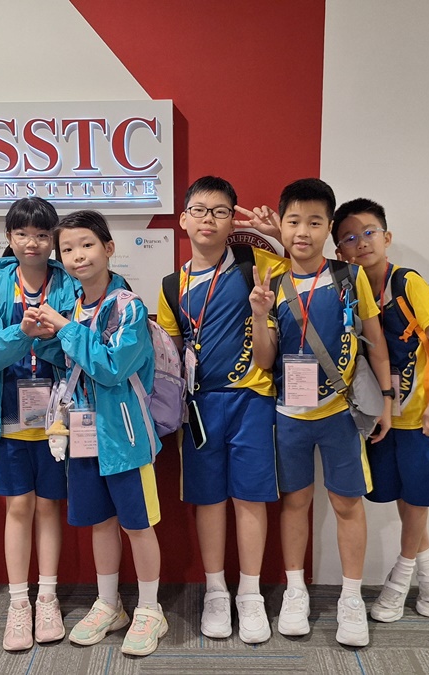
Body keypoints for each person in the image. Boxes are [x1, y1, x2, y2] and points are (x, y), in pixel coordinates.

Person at [248, 178, 394, 647]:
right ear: (282, 226)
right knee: (295, 502)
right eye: (293, 221)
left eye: (314, 222)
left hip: (340, 414)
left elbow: (376, 342)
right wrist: (259, 315)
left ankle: (351, 598)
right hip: (289, 415)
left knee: (347, 503)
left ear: (328, 228)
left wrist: (387, 400)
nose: (303, 232)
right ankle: (295, 591)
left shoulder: (349, 277)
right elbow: (265, 360)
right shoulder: (271, 281)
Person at [28, 210, 167, 657]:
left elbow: (111, 368)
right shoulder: (71, 307)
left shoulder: (128, 306)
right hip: (83, 435)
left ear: (108, 249)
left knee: (137, 525)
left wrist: (65, 329)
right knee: (100, 522)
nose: (77, 256)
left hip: (126, 438)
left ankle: (150, 609)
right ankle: (110, 604)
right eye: (67, 249)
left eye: (86, 244)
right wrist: (41, 335)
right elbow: (67, 361)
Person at [155, 176, 285, 643]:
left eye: (220, 211)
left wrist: (278, 234)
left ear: (232, 221)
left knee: (250, 497)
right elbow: (170, 360)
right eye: (200, 210)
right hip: (199, 408)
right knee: (208, 500)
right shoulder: (172, 286)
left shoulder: (256, 265)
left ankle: (249, 594)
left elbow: (307, 267)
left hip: (253, 400)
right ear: (183, 219)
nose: (208, 219)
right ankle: (215, 590)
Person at [0, 197, 79, 650]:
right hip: (7, 418)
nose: (32, 243)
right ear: (8, 238)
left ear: (54, 240)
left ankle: (47, 596)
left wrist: (46, 339)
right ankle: (18, 602)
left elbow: (78, 349)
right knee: (18, 507)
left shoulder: (68, 285)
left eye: (42, 235)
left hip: (58, 420)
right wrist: (22, 333)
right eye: (22, 234)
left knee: (49, 507)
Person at [334, 198, 429, 622]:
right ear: (339, 250)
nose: (362, 242)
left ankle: (401, 578)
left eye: (369, 232)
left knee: (417, 496)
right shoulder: (348, 288)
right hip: (380, 412)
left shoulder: (407, 282)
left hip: (420, 412)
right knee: (401, 494)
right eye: (350, 237)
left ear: (386, 237)